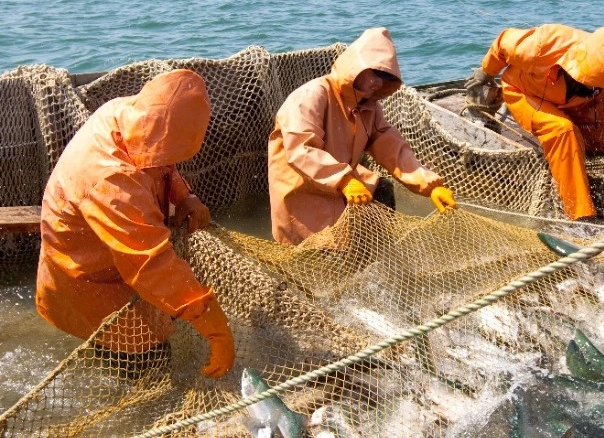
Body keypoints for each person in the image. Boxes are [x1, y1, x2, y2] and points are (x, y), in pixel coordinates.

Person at [36, 69, 234, 379]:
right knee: (148, 362)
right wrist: (215, 327)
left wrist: (184, 196)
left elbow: (159, 158)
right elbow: (151, 264)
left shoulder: (126, 113)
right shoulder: (112, 179)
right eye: (166, 157)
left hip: (116, 254)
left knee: (156, 326)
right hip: (87, 277)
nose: (169, 164)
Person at [268, 27, 457, 246]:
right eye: (375, 73)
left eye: (386, 78)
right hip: (302, 188)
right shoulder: (312, 95)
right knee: (320, 249)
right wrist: (345, 180)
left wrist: (430, 185)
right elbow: (301, 150)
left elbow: (389, 145)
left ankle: (376, 261)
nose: (379, 82)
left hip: (342, 180)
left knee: (382, 190)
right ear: (356, 66)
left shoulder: (369, 107)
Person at [466, 24, 604, 222]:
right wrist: (486, 72)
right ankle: (580, 217)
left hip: (574, 104)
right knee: (562, 130)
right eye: (586, 81)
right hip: (525, 91)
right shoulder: (543, 45)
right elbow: (503, 42)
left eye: (597, 85)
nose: (590, 86)